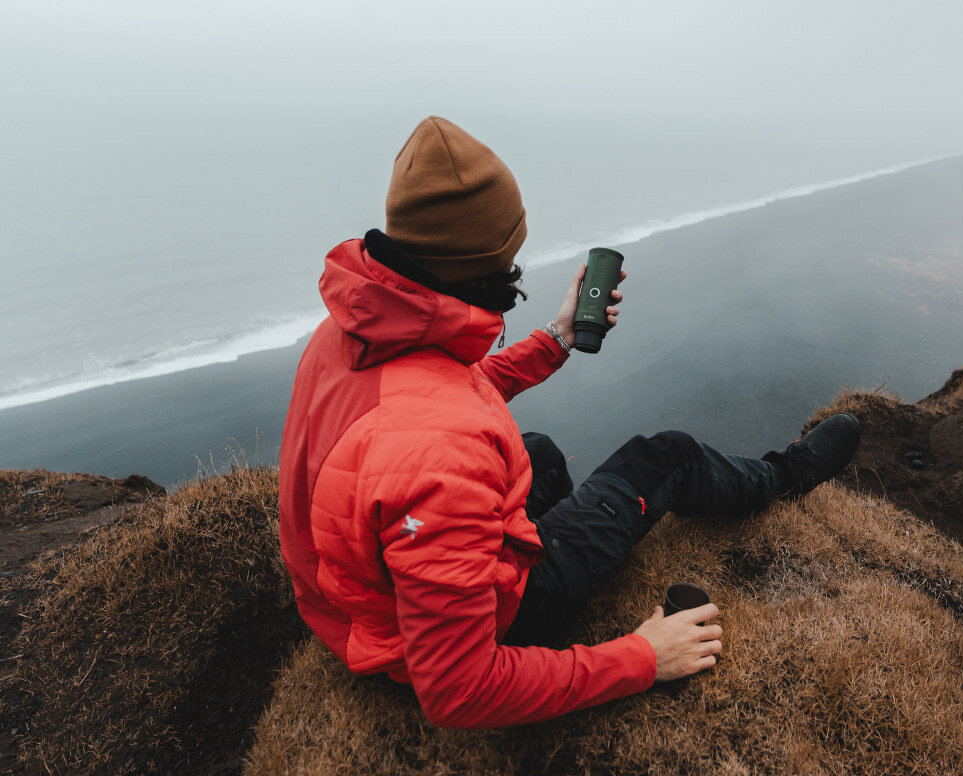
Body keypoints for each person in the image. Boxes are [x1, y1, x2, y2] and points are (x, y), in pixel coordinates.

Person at [278, 116, 861, 730]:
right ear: (487, 264)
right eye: (511, 256)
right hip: (435, 642)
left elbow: (433, 398)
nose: (517, 267)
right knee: (664, 456)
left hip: (356, 606)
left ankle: (574, 528)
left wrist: (555, 338)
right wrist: (641, 657)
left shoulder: (345, 333)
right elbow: (460, 691)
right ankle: (786, 476)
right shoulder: (441, 453)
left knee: (543, 455)